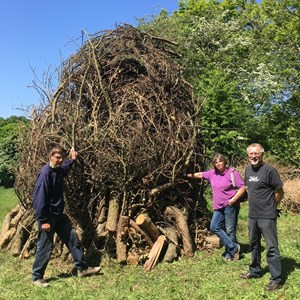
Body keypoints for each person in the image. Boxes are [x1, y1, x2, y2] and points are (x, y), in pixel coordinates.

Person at [32, 145, 101, 287]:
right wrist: (44, 220)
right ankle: (37, 277)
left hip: (59, 215)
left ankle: (81, 268)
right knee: (45, 246)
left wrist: (72, 159)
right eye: (57, 157)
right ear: (51, 157)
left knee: (72, 237)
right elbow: (39, 199)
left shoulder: (57, 170)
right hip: (48, 216)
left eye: (62, 158)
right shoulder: (46, 174)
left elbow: (65, 169)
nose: (60, 160)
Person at [240, 143, 284, 291]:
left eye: (256, 153)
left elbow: (279, 191)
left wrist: (272, 206)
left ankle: (276, 279)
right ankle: (255, 271)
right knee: (254, 245)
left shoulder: (270, 170)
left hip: (267, 216)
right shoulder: (248, 169)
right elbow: (247, 188)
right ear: (248, 155)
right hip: (252, 215)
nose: (254, 156)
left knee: (271, 247)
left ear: (262, 154)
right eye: (251, 154)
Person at [188, 153, 246, 261]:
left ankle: (231, 254)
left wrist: (233, 200)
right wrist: (188, 175)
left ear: (224, 162)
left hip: (230, 206)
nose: (218, 163)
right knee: (214, 227)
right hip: (218, 207)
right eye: (216, 162)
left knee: (230, 230)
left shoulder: (232, 173)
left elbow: (242, 187)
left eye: (220, 161)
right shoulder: (212, 173)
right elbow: (200, 174)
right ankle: (234, 248)